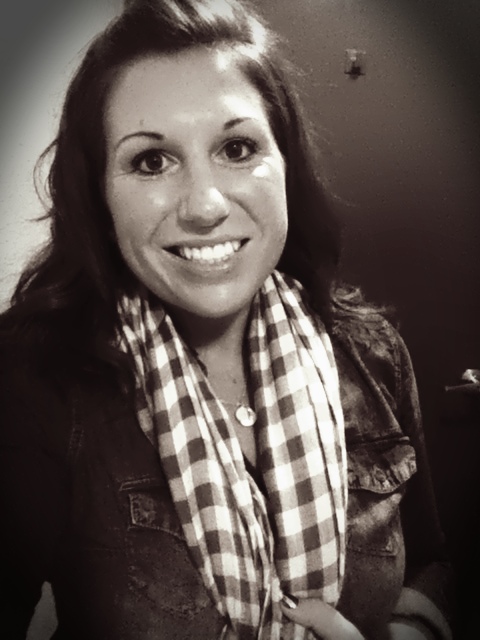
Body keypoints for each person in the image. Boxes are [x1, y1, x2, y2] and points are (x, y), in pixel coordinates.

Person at [0, 1, 452, 638]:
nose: (205, 206)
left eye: (237, 148)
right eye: (151, 161)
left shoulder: (372, 353)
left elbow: (430, 561)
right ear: (99, 195)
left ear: (286, 164)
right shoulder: (35, 383)